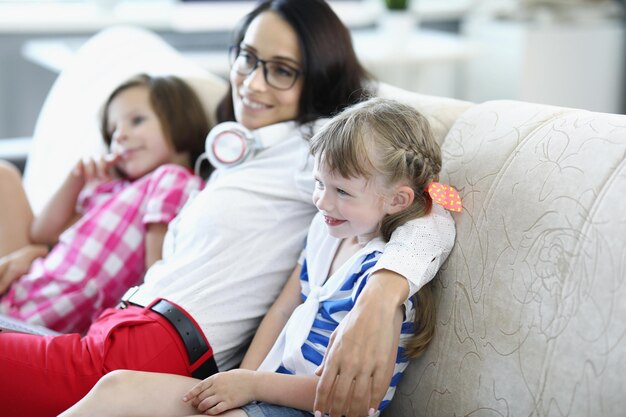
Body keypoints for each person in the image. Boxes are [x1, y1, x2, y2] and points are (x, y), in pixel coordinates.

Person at [0, 1, 457, 416]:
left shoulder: (319, 148)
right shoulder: (235, 153)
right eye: (248, 58)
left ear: (316, 77)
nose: (253, 82)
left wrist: (382, 294)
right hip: (117, 326)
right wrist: (41, 249)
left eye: (282, 71)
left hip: (159, 342)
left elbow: (434, 200)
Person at [58, 97, 461, 417]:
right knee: (118, 387)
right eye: (320, 183)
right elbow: (285, 307)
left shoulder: (384, 279)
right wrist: (241, 379)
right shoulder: (327, 232)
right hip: (262, 392)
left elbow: (350, 402)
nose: (322, 201)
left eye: (342, 192)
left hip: (302, 409)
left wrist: (251, 387)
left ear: (397, 200)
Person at [0, 73, 207, 334]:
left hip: (40, 317)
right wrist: (75, 180)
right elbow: (42, 233)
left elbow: (156, 274)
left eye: (137, 120)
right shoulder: (112, 188)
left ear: (180, 121)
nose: (120, 135)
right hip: (29, 288)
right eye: (113, 131)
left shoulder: (172, 179)